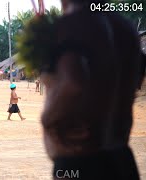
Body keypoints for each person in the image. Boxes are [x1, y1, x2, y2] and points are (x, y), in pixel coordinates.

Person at [35, 0, 142, 179]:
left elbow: (73, 82)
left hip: (80, 162)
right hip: (121, 158)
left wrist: (47, 120)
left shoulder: (73, 24)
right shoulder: (126, 28)